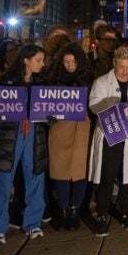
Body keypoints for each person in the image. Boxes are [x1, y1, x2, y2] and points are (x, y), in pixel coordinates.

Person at [0, 44, 49, 245]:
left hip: (33, 133)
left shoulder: (40, 81)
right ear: (26, 60)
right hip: (10, 134)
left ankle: (33, 223)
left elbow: (47, 106)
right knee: (3, 180)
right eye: (38, 60)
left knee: (35, 177)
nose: (42, 64)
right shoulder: (7, 80)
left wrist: (49, 117)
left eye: (43, 60)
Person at [88, 46, 128, 237]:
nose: (125, 71)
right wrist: (112, 104)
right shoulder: (101, 82)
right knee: (107, 176)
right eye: (121, 66)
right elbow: (93, 105)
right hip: (110, 135)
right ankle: (102, 214)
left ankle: (125, 211)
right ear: (114, 64)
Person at [47, 42, 93, 231]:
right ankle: (64, 209)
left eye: (73, 62)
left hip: (82, 128)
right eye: (66, 62)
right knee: (61, 172)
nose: (70, 65)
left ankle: (75, 210)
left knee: (80, 171)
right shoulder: (52, 80)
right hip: (60, 129)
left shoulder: (89, 80)